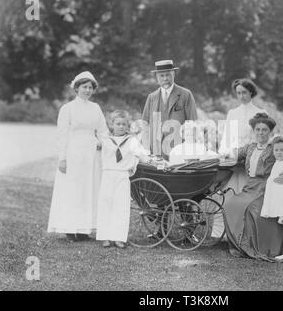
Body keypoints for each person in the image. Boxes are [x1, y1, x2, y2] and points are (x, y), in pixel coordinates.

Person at [47, 71, 108, 242]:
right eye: (84, 87)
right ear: (77, 88)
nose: (87, 90)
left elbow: (103, 131)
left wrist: (101, 142)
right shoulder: (67, 109)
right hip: (73, 153)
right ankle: (70, 228)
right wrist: (63, 158)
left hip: (91, 155)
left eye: (90, 87)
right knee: (73, 190)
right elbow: (62, 135)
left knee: (88, 189)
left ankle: (84, 229)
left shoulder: (96, 108)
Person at [223, 113, 283, 261]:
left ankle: (256, 246)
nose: (260, 133)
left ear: (269, 132)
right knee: (230, 204)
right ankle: (240, 245)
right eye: (257, 129)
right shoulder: (250, 148)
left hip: (267, 187)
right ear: (254, 131)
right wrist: (226, 153)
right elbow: (235, 152)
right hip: (250, 187)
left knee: (250, 207)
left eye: (264, 130)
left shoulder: (274, 148)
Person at [96, 110, 150, 248]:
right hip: (108, 174)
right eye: (118, 123)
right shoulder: (105, 141)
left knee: (121, 206)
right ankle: (105, 236)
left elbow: (142, 154)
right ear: (111, 124)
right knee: (105, 205)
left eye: (124, 124)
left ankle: (119, 237)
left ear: (128, 126)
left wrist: (148, 159)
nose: (121, 126)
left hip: (122, 175)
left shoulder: (132, 141)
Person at [142, 59, 198, 160]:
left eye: (168, 75)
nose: (165, 78)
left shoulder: (186, 94)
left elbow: (193, 122)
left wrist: (189, 149)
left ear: (173, 74)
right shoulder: (152, 97)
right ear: (157, 77)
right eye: (161, 76)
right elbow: (145, 124)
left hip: (179, 150)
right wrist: (147, 150)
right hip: (157, 152)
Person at [219, 79, 267, 194]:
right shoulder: (233, 113)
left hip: (254, 156)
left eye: (244, 92)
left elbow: (264, 137)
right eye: (238, 93)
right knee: (234, 188)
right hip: (236, 156)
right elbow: (227, 136)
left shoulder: (260, 113)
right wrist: (226, 154)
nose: (241, 96)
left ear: (251, 92)